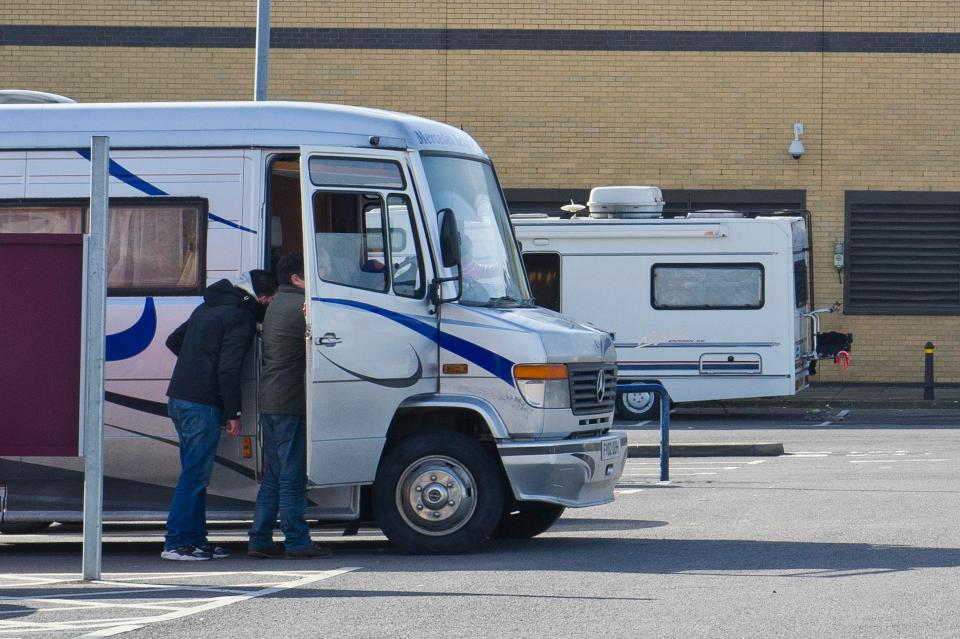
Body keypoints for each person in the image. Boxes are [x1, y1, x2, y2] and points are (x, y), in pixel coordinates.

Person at [161, 270, 278, 561]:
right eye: (270, 300)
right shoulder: (242, 317)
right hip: (202, 404)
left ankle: (196, 541)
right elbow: (228, 368)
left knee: (196, 475)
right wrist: (233, 412)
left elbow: (174, 340)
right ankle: (176, 543)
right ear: (261, 297)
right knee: (193, 477)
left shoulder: (207, 306)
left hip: (179, 398)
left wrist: (197, 365)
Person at [248, 252, 333, 559]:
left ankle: (259, 538)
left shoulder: (276, 304)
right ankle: (297, 540)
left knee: (274, 474)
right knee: (291, 475)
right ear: (296, 279)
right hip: (289, 402)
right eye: (312, 274)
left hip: (271, 401)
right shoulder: (300, 307)